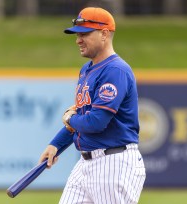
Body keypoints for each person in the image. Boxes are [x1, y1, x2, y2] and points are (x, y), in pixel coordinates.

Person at [39, 7, 146, 204]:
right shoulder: (86, 69)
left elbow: (95, 122)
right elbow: (82, 118)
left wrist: (69, 117)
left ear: (104, 34)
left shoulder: (115, 70)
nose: (78, 40)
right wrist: (56, 144)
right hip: (86, 163)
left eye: (85, 34)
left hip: (114, 163)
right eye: (77, 34)